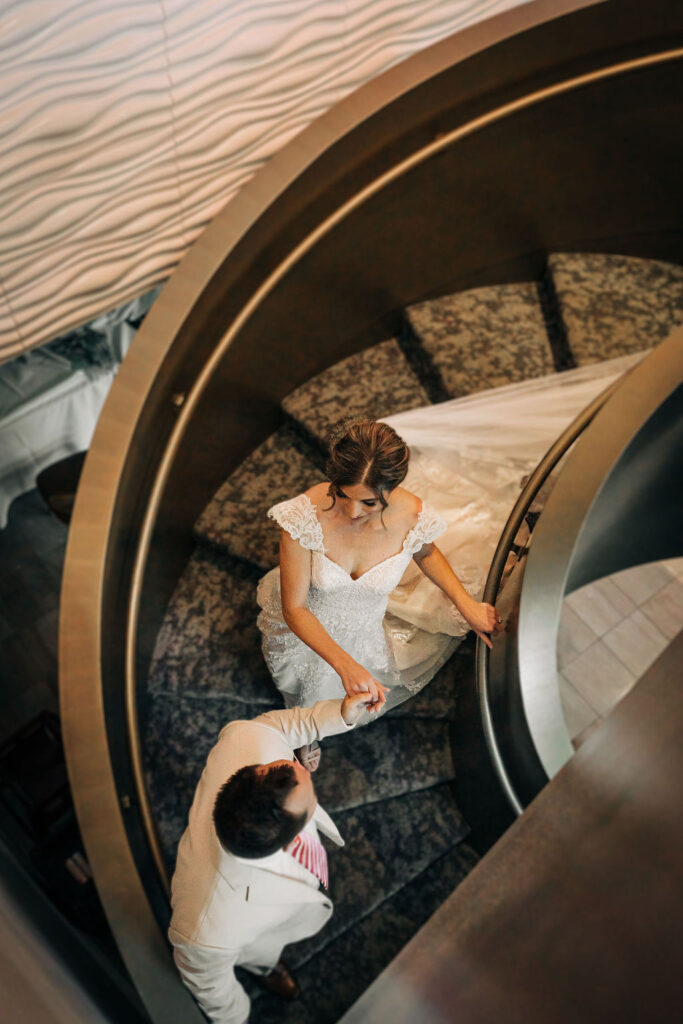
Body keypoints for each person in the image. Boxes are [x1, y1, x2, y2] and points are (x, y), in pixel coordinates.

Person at [257, 419, 501, 767]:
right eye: (341, 494)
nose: (353, 512)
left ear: (392, 488)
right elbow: (294, 609)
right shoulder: (302, 517)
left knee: (348, 687)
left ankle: (315, 725)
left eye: (369, 503)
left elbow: (426, 552)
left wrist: (466, 605)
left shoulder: (411, 514)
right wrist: (346, 665)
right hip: (309, 626)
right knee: (304, 684)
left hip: (364, 627)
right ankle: (304, 731)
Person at [168, 691, 377, 1024]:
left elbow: (279, 728)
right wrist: (236, 1018)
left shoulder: (244, 739)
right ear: (287, 840)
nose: (303, 766)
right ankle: (263, 965)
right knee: (259, 950)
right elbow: (212, 992)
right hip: (247, 931)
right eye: (308, 792)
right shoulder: (205, 932)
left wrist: (340, 714)